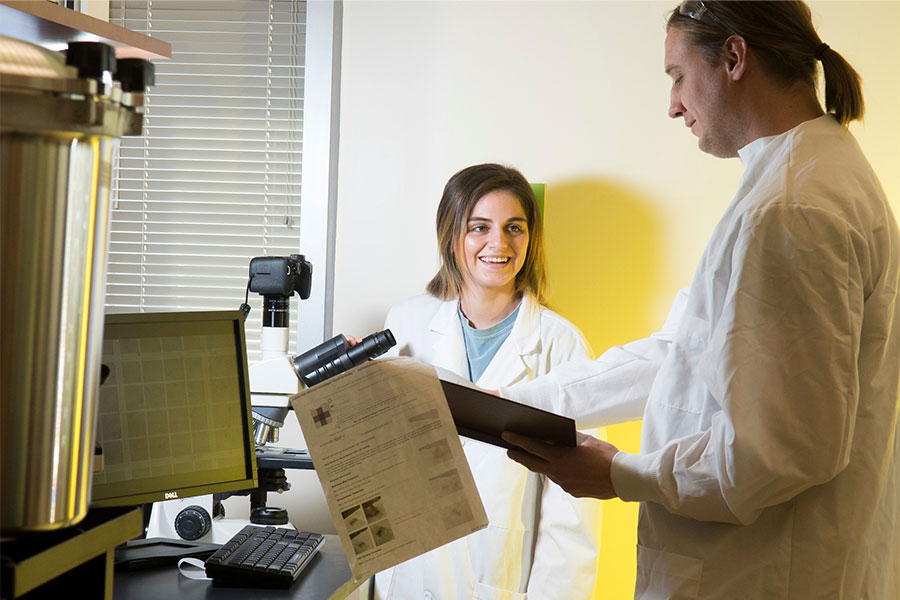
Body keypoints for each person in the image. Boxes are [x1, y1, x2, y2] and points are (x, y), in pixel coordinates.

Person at [500, 2, 900, 599]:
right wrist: (513, 404)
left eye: (677, 76)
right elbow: (679, 356)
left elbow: (781, 452)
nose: (673, 105)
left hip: (765, 578)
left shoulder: (791, 209)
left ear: (734, 58)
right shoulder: (798, 181)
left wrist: (619, 473)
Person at [375, 163, 600, 599]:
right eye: (480, 227)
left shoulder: (561, 345)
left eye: (514, 227)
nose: (498, 243)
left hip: (497, 578)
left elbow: (573, 512)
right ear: (451, 235)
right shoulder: (406, 324)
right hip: (409, 576)